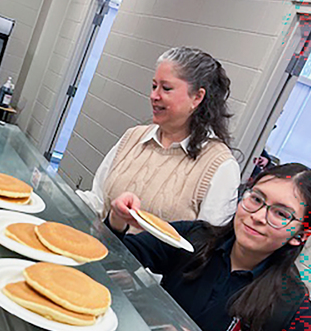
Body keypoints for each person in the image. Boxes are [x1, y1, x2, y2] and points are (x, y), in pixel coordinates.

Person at [107, 163, 311, 331]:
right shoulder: (194, 238)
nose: (258, 216)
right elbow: (109, 259)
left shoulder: (298, 312)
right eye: (256, 198)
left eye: (281, 214)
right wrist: (117, 221)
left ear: (299, 235)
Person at [77, 47, 241, 228]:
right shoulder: (133, 137)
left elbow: (204, 245)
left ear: (197, 97)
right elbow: (97, 202)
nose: (154, 96)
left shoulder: (220, 166)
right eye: (154, 86)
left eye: (166, 88)